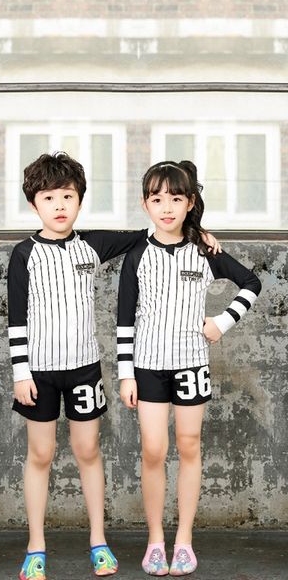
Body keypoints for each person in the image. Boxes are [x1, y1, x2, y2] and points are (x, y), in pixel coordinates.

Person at [8, 152, 151, 579]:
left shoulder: (92, 245)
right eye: (48, 197)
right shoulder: (24, 254)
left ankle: (98, 540)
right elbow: (16, 318)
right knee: (41, 454)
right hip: (38, 373)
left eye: (67, 196)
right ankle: (36, 546)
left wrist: (199, 232)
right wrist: (20, 373)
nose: (59, 205)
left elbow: (151, 232)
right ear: (33, 204)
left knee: (88, 451)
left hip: (84, 369)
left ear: (80, 200)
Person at [116, 160, 261, 576]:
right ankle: (155, 542)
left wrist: (222, 322)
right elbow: (124, 318)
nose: (167, 207)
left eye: (176, 199)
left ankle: (183, 541)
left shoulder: (204, 250)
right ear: (145, 204)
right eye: (157, 199)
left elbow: (251, 282)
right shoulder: (137, 254)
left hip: (192, 364)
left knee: (190, 445)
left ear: (190, 202)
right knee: (154, 450)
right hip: (147, 366)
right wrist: (126, 373)